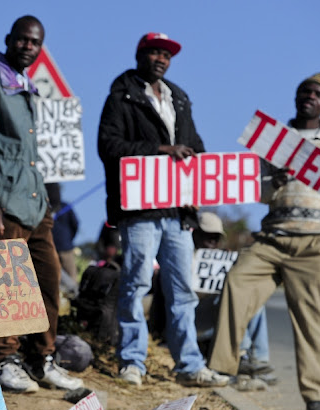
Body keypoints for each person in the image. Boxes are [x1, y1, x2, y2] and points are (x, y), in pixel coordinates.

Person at [208, 73, 320, 410]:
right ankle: (221, 369)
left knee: (311, 316)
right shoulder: (277, 141)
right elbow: (257, 190)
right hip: (273, 237)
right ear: (295, 98)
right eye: (304, 91)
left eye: (317, 93)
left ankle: (315, 394)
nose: (310, 97)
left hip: (317, 241)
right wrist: (271, 182)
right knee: (236, 283)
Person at [0, 15, 83, 393]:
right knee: (2, 285)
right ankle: (4, 360)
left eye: (36, 42)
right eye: (23, 40)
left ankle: (41, 359)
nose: (29, 46)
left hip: (34, 203)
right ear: (9, 39)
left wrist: (45, 200)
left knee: (48, 280)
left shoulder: (26, 88)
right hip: (3, 202)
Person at [98, 32, 229, 388]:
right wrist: (159, 149)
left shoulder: (179, 98)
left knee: (182, 288)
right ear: (140, 55)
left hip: (178, 213)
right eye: (154, 52)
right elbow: (109, 145)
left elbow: (196, 147)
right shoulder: (121, 95)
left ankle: (189, 364)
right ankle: (133, 362)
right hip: (140, 211)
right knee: (137, 282)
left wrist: (197, 183)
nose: (161, 59)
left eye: (166, 54)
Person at [192, 212, 276, 386]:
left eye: (216, 238)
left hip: (218, 319)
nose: (212, 243)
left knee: (254, 302)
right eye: (208, 237)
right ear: (195, 235)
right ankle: (241, 357)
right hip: (195, 322)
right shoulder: (184, 258)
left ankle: (259, 360)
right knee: (233, 301)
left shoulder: (223, 258)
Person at [47, 183, 80, 283]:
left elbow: (75, 225)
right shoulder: (47, 209)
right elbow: (75, 224)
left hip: (63, 248)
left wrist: (68, 240)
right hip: (55, 247)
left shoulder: (65, 207)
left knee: (69, 277)